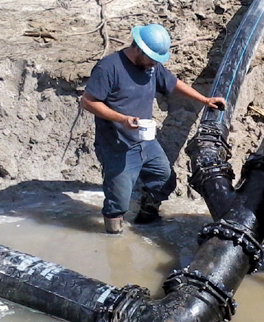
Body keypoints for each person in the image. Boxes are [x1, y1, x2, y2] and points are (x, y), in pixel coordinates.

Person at [81, 24, 226, 234]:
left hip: (145, 140)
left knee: (164, 178)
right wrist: (121, 119)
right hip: (117, 145)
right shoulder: (109, 68)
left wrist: (205, 99)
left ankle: (146, 216)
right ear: (138, 49)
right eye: (152, 58)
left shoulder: (151, 66)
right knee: (117, 204)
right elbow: (88, 102)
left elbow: (173, 82)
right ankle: (113, 242)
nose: (155, 64)